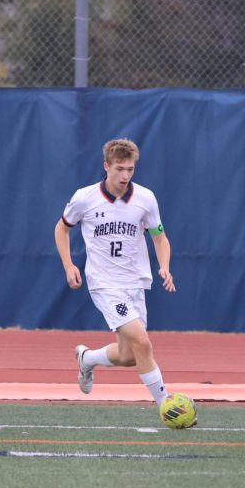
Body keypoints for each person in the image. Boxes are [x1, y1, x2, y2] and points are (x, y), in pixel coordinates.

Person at [55, 138, 180, 416]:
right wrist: (68, 265)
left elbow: (160, 238)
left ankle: (87, 358)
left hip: (135, 283)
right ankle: (166, 405)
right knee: (143, 342)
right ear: (106, 166)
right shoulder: (85, 197)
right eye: (120, 169)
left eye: (130, 169)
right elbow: (61, 230)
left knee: (129, 356)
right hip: (104, 284)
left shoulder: (146, 198)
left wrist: (164, 266)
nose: (125, 176)